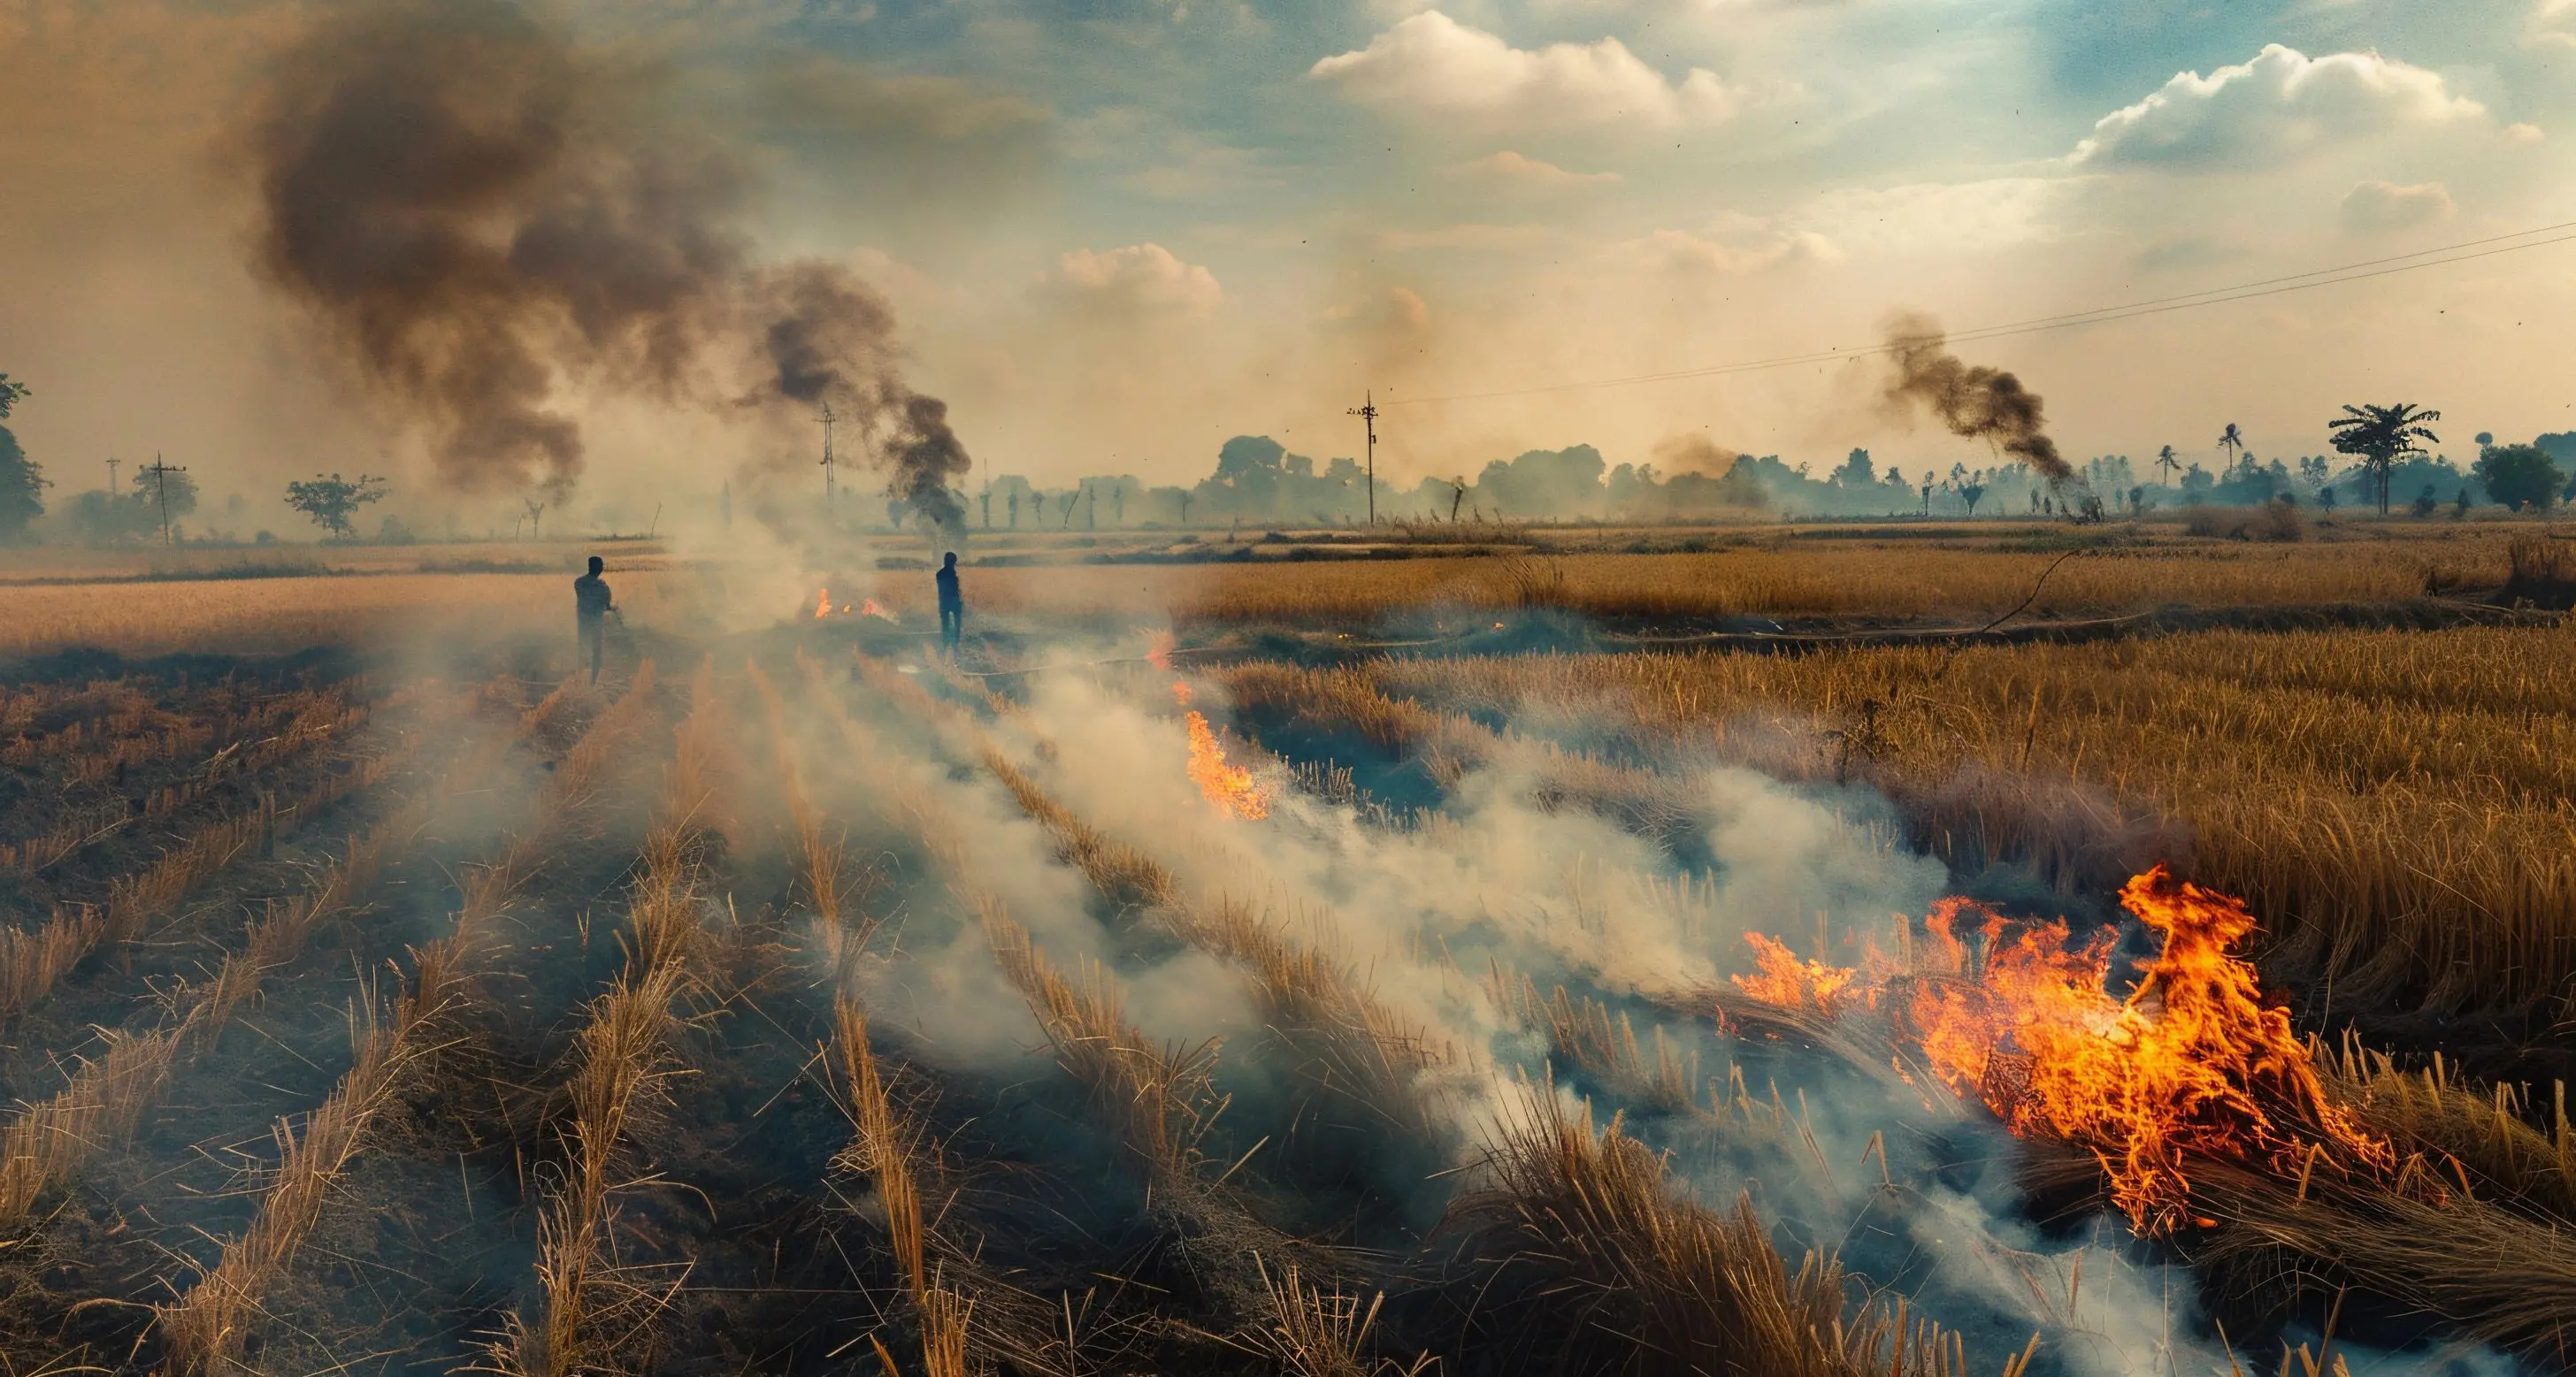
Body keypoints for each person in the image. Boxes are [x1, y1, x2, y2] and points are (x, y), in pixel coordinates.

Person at [574, 555, 615, 685]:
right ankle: (592, 682)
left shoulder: (579, 582)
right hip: (595, 624)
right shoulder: (602, 587)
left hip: (583, 623)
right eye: (601, 565)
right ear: (596, 567)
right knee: (596, 653)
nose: (602, 568)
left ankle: (580, 680)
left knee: (583, 651)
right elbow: (607, 604)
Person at [935, 551, 963, 653]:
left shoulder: (939, 574)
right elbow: (955, 589)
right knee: (957, 622)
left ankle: (946, 643)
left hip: (944, 600)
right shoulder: (953, 574)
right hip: (953, 600)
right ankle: (956, 641)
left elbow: (942, 589)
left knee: (945, 623)